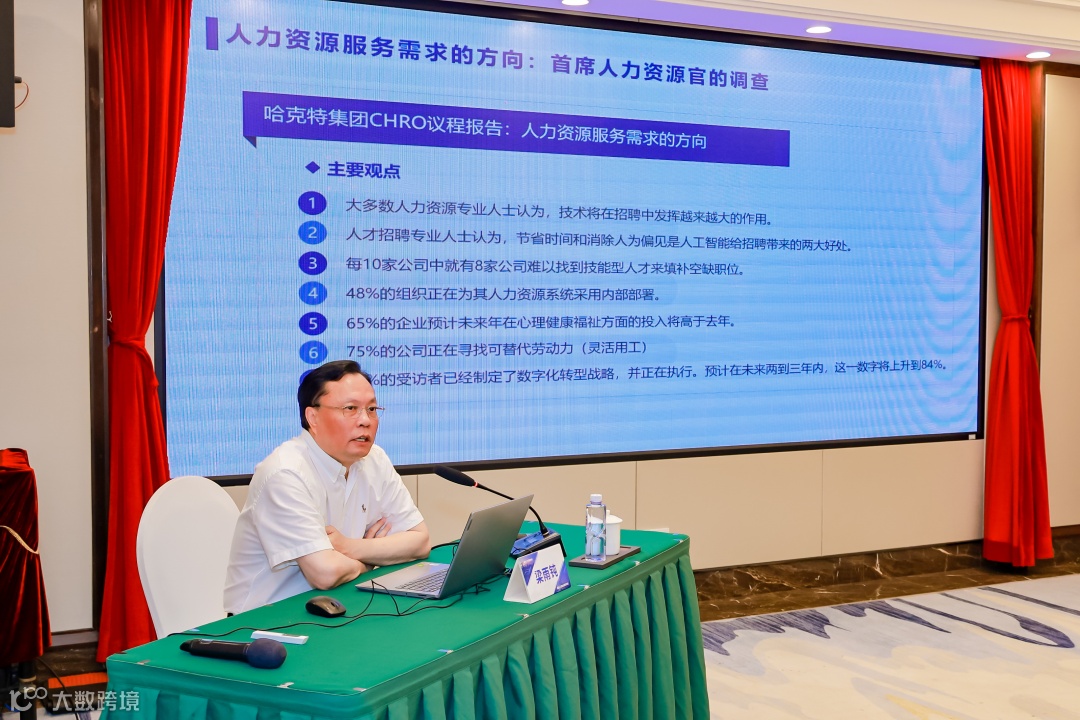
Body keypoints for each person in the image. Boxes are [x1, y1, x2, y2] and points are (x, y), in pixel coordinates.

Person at [224, 360, 430, 614]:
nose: (365, 420)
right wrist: (370, 561)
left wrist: (349, 547)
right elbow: (325, 573)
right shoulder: (285, 473)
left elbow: (420, 542)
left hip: (341, 606)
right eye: (350, 409)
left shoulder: (374, 459)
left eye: (372, 409)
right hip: (266, 621)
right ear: (313, 417)